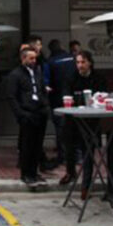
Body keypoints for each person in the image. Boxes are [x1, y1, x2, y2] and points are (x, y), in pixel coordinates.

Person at [61, 51, 108, 198]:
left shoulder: (99, 78)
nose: (80, 65)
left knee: (88, 153)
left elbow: (103, 96)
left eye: (83, 62)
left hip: (91, 121)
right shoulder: (71, 77)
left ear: (90, 63)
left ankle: (85, 186)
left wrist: (97, 100)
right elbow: (66, 94)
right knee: (69, 149)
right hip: (73, 120)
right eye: (78, 62)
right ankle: (70, 172)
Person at [6, 47, 51, 189]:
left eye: (35, 58)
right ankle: (26, 173)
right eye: (31, 58)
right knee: (27, 145)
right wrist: (21, 114)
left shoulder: (37, 71)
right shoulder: (15, 75)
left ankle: (34, 171)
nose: (34, 61)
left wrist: (45, 105)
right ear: (23, 58)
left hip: (40, 112)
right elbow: (12, 97)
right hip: (27, 113)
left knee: (38, 145)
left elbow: (42, 89)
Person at [47, 39, 76, 167]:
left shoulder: (50, 62)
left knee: (60, 127)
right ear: (62, 46)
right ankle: (76, 155)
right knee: (74, 126)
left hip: (57, 98)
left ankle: (63, 155)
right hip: (73, 97)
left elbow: (47, 82)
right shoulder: (72, 58)